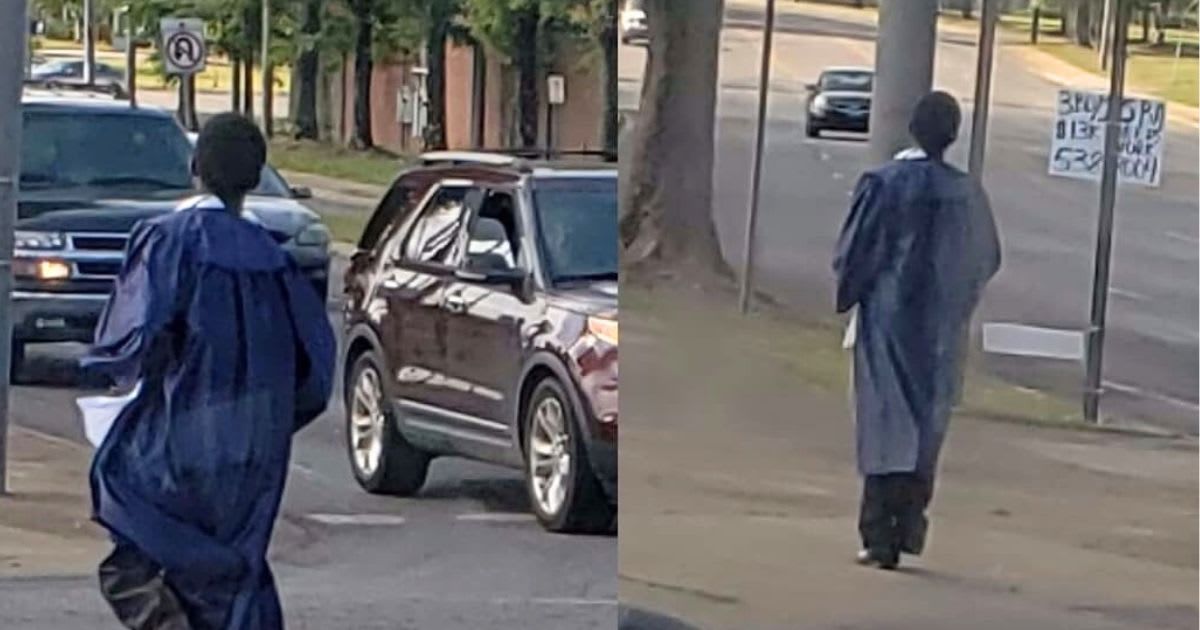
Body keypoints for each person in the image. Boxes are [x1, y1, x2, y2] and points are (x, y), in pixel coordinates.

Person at [83, 113, 335, 628]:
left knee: (136, 555)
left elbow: (132, 339)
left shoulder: (168, 241)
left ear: (195, 166)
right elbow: (315, 372)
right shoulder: (276, 260)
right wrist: (266, 426)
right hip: (251, 455)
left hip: (176, 442)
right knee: (231, 577)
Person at [832, 91, 1001, 570]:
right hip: (940, 327)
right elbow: (986, 257)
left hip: (888, 317)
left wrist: (852, 293)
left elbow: (854, 253)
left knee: (885, 423)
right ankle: (909, 526)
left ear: (912, 127)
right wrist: (957, 302)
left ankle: (877, 535)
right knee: (927, 427)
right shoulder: (966, 192)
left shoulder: (883, 184)